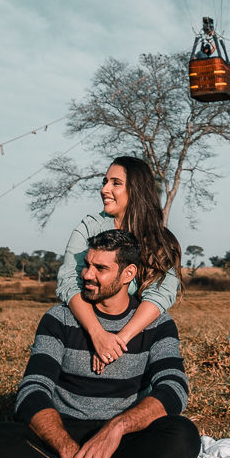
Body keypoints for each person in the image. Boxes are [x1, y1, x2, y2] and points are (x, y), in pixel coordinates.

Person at [0, 229, 201, 458]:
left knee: (184, 438)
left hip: (119, 444)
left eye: (101, 268)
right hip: (59, 439)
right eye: (87, 265)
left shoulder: (157, 324)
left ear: (128, 273)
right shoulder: (59, 318)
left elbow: (174, 388)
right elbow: (33, 390)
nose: (87, 275)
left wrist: (116, 429)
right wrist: (67, 449)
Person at [57, 156, 182, 371]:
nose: (104, 189)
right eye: (105, 182)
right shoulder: (89, 227)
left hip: (133, 331)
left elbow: (161, 293)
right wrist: (97, 334)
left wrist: (117, 340)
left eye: (115, 183)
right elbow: (68, 281)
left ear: (136, 190)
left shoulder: (159, 240)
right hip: (91, 322)